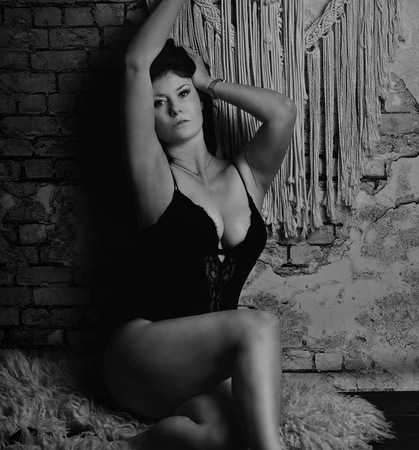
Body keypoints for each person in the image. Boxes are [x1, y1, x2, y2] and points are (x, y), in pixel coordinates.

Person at [102, 0, 297, 449]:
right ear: (147, 116)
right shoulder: (154, 176)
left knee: (226, 432)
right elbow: (135, 62)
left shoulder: (245, 176)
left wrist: (208, 81)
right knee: (259, 325)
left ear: (201, 100)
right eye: (159, 103)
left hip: (202, 368)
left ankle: (126, 445)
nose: (175, 109)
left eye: (184, 94)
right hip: (142, 355)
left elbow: (283, 112)